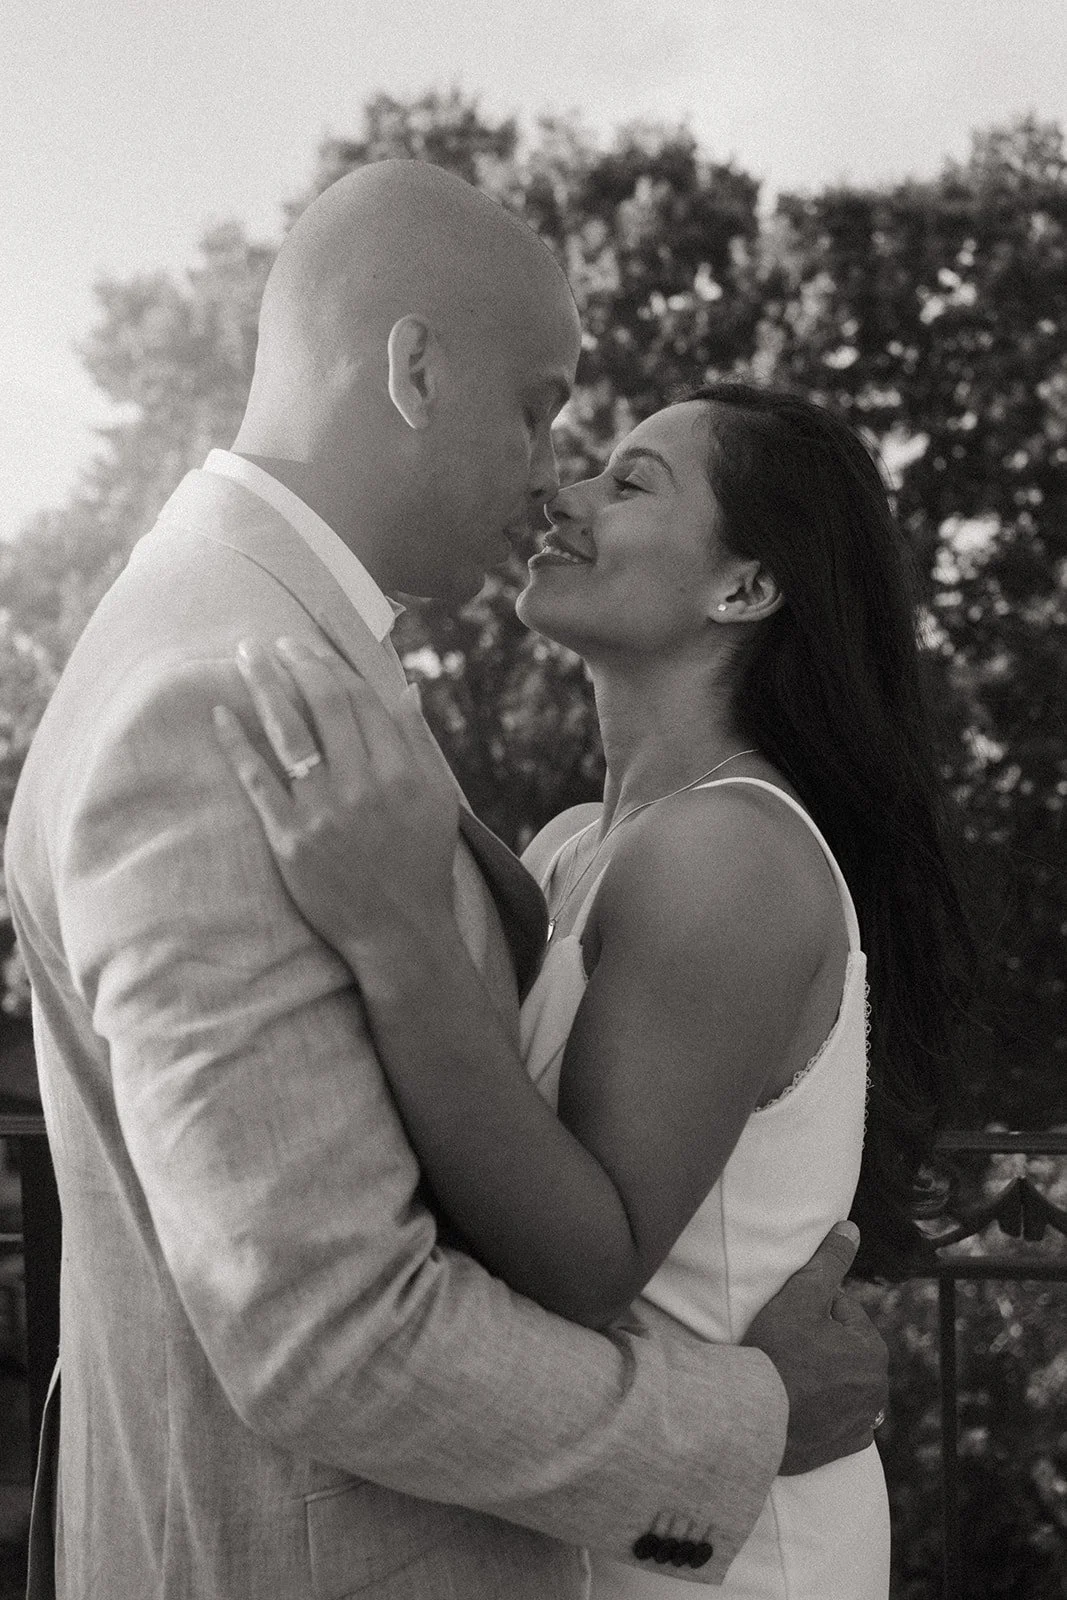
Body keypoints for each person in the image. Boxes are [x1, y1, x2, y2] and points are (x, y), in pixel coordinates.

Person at [5, 162, 887, 1600]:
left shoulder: (282, 656)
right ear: (413, 368)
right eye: (541, 408)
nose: (555, 469)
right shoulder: (220, 692)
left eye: (606, 456)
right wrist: (747, 1416)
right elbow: (323, 1331)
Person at [218, 382, 973, 1598]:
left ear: (744, 588)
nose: (560, 492)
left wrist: (396, 932)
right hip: (613, 1507)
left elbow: (587, 1261)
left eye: (628, 482)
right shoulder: (573, 843)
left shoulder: (727, 856)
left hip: (732, 1553)